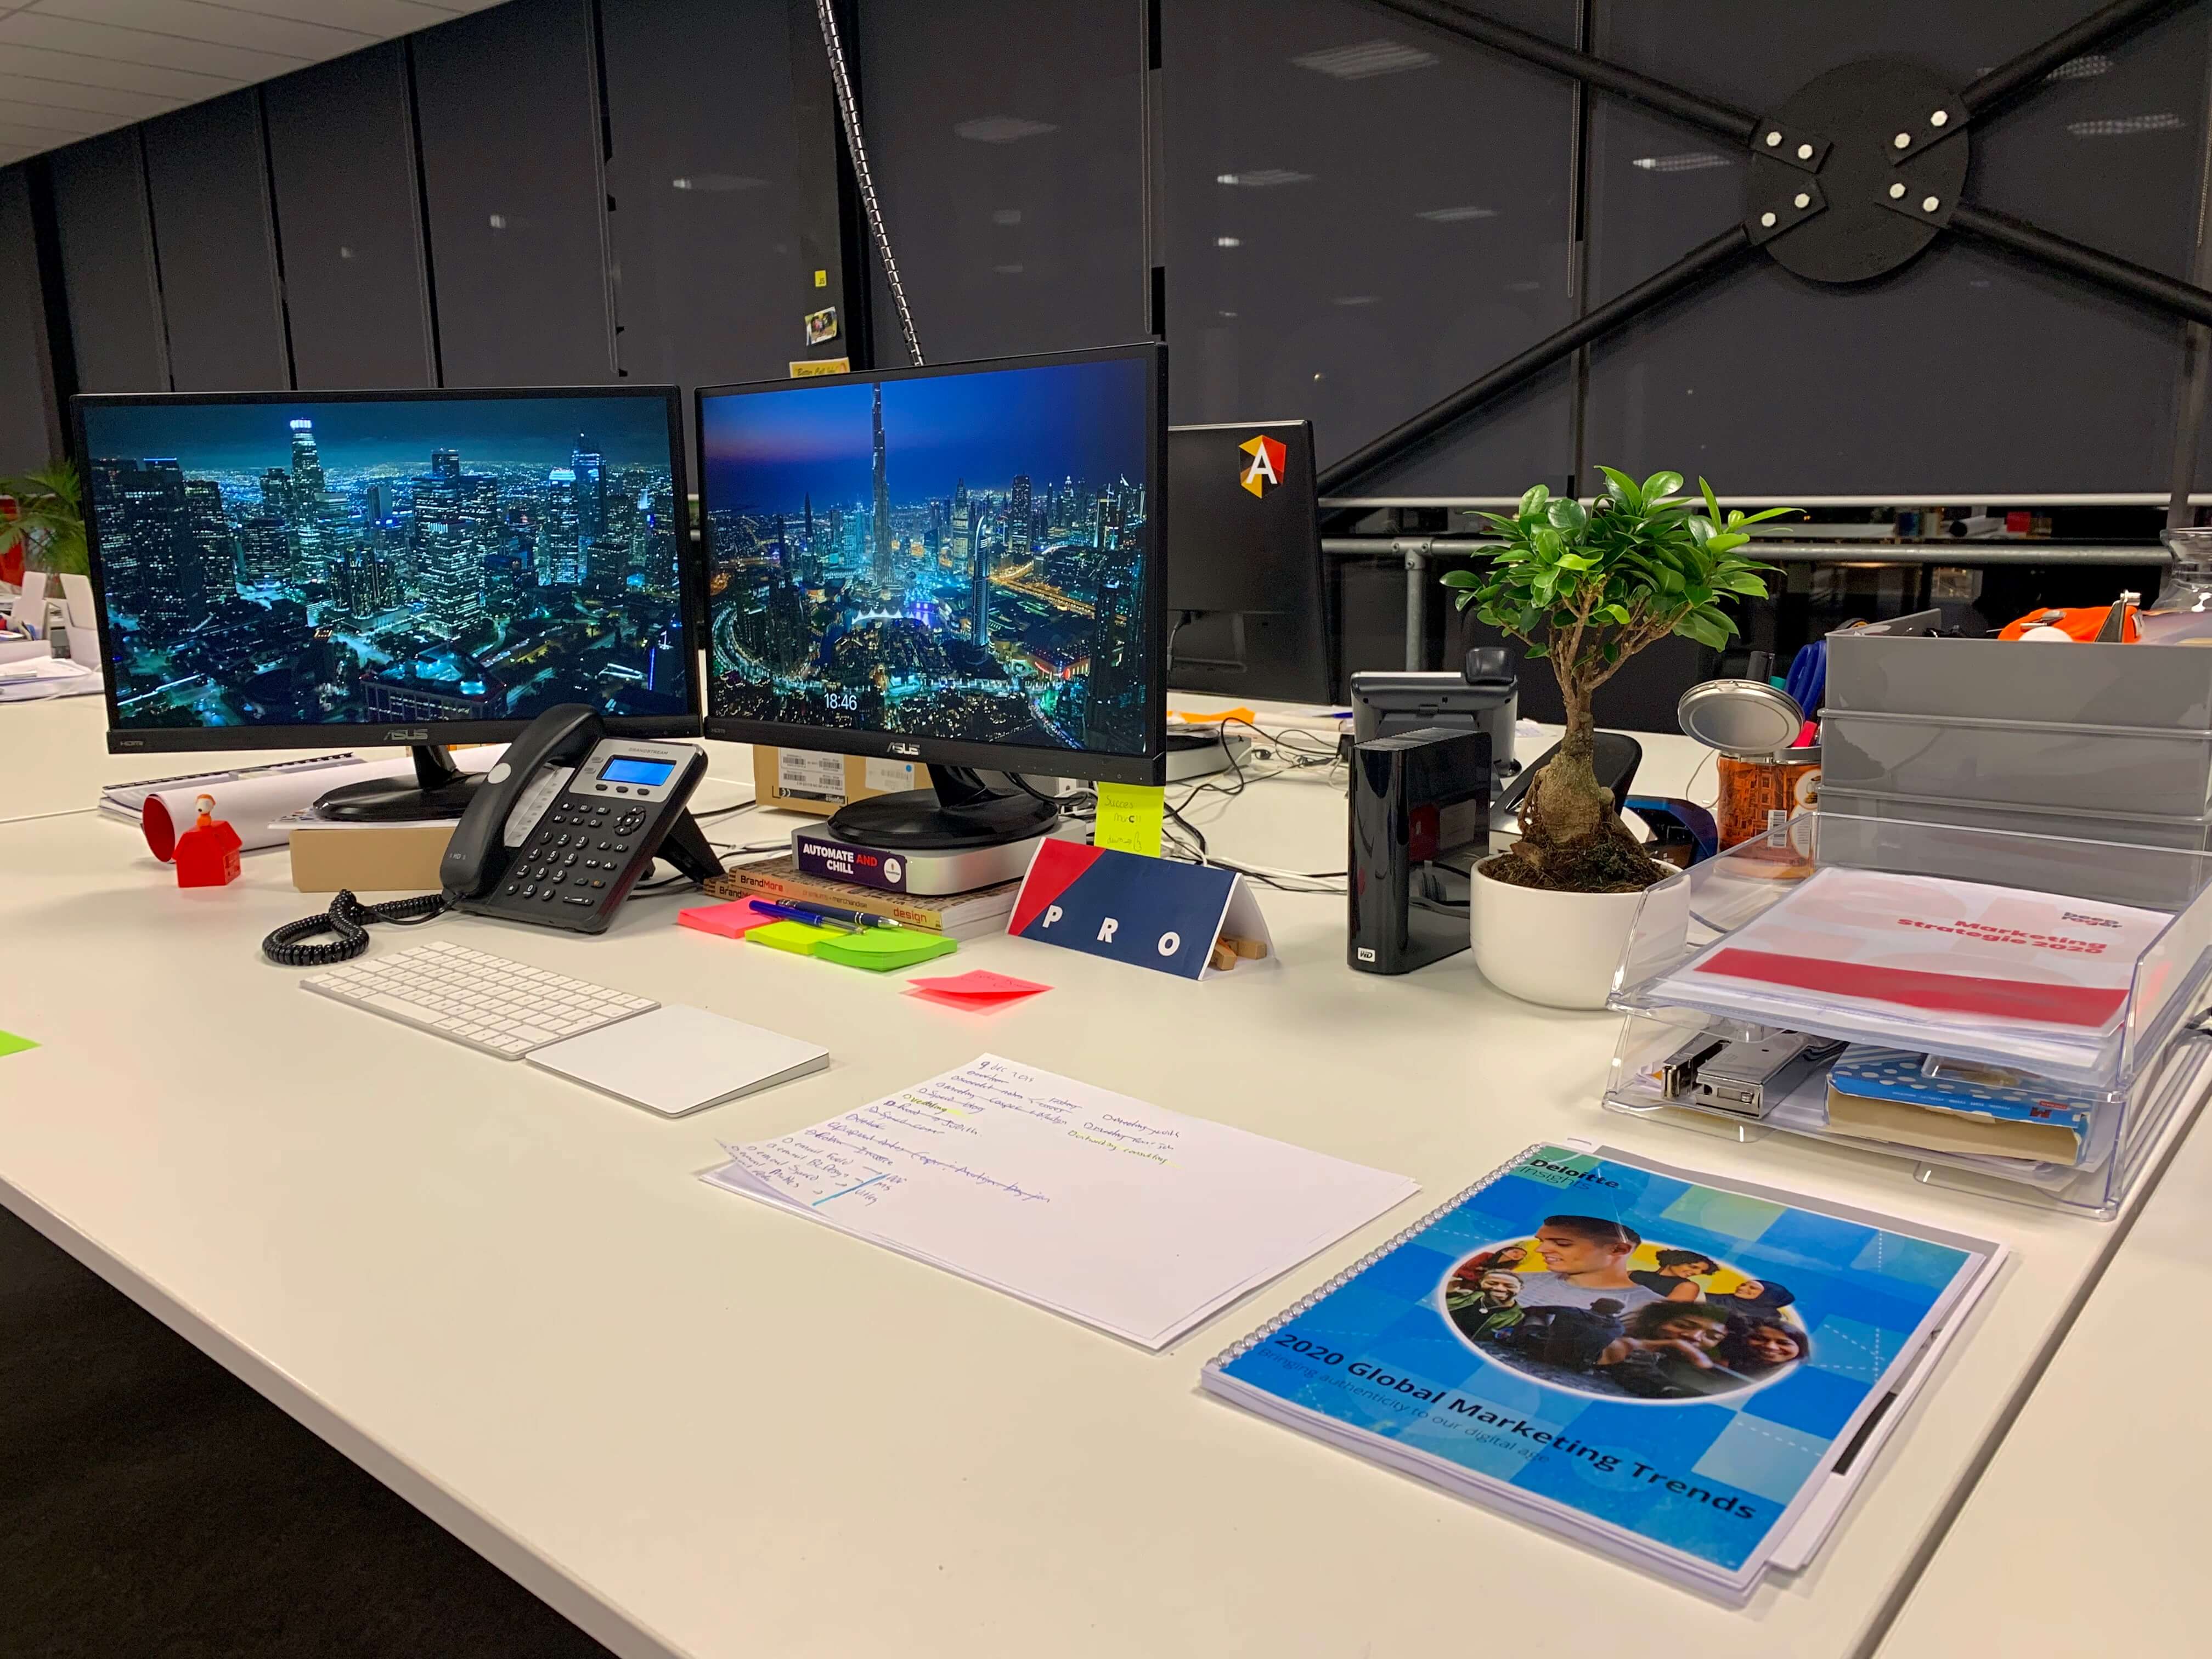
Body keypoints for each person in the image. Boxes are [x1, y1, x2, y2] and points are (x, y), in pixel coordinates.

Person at [1515, 1215, 1665, 1314]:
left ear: (1619, 1249)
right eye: (1541, 1241)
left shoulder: (1652, 1309)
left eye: (1562, 1244)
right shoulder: (1517, 1281)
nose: (1540, 1250)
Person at [1595, 1303, 1739, 1399]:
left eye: (1712, 1337)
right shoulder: (1609, 1338)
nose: (1694, 1337)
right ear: (1656, 1322)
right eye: (1683, 1326)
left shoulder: (1705, 1377)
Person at [1717, 1315, 1810, 1378]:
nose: (1770, 1346)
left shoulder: (1799, 1375)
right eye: (1759, 1339)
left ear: (1801, 1347)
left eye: (1784, 1343)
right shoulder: (1739, 1361)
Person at [1448, 1270, 1527, 1344]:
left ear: (1521, 1289)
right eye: (1492, 1283)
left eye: (1509, 1286)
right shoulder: (1458, 1297)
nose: (1500, 1288)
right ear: (1481, 1282)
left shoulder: (1521, 1319)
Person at [1628, 1248, 1718, 1303]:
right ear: (1675, 1261)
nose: (1697, 1273)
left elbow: (1663, 1314)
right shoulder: (1634, 1274)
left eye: (1702, 1272)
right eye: (1693, 1267)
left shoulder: (1688, 1287)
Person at [1719, 1277, 1796, 1315]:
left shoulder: (1773, 1319)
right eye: (1743, 1285)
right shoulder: (1720, 1299)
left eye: (1753, 1288)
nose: (1741, 1288)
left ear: (1767, 1296)